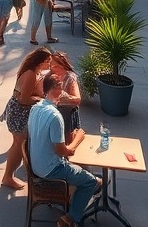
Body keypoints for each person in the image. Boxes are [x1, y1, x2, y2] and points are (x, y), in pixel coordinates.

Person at [27, 74, 101, 227]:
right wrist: (78, 138)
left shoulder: (35, 108)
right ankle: (70, 217)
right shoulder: (55, 116)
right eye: (60, 86)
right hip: (51, 169)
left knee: (89, 177)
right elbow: (64, 152)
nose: (63, 89)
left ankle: (76, 201)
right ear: (56, 89)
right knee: (91, 182)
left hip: (36, 166)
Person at [0, 47, 53, 189]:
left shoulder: (35, 72)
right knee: (19, 145)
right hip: (19, 113)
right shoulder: (30, 74)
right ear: (39, 61)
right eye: (47, 61)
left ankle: (16, 175)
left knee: (20, 144)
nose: (49, 64)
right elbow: (24, 99)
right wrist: (40, 101)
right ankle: (8, 177)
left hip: (20, 113)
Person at [49, 51, 82, 143]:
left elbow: (77, 99)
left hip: (66, 113)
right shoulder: (50, 75)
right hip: (52, 111)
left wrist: (66, 97)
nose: (53, 69)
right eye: (52, 66)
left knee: (66, 140)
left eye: (57, 67)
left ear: (63, 66)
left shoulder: (70, 78)